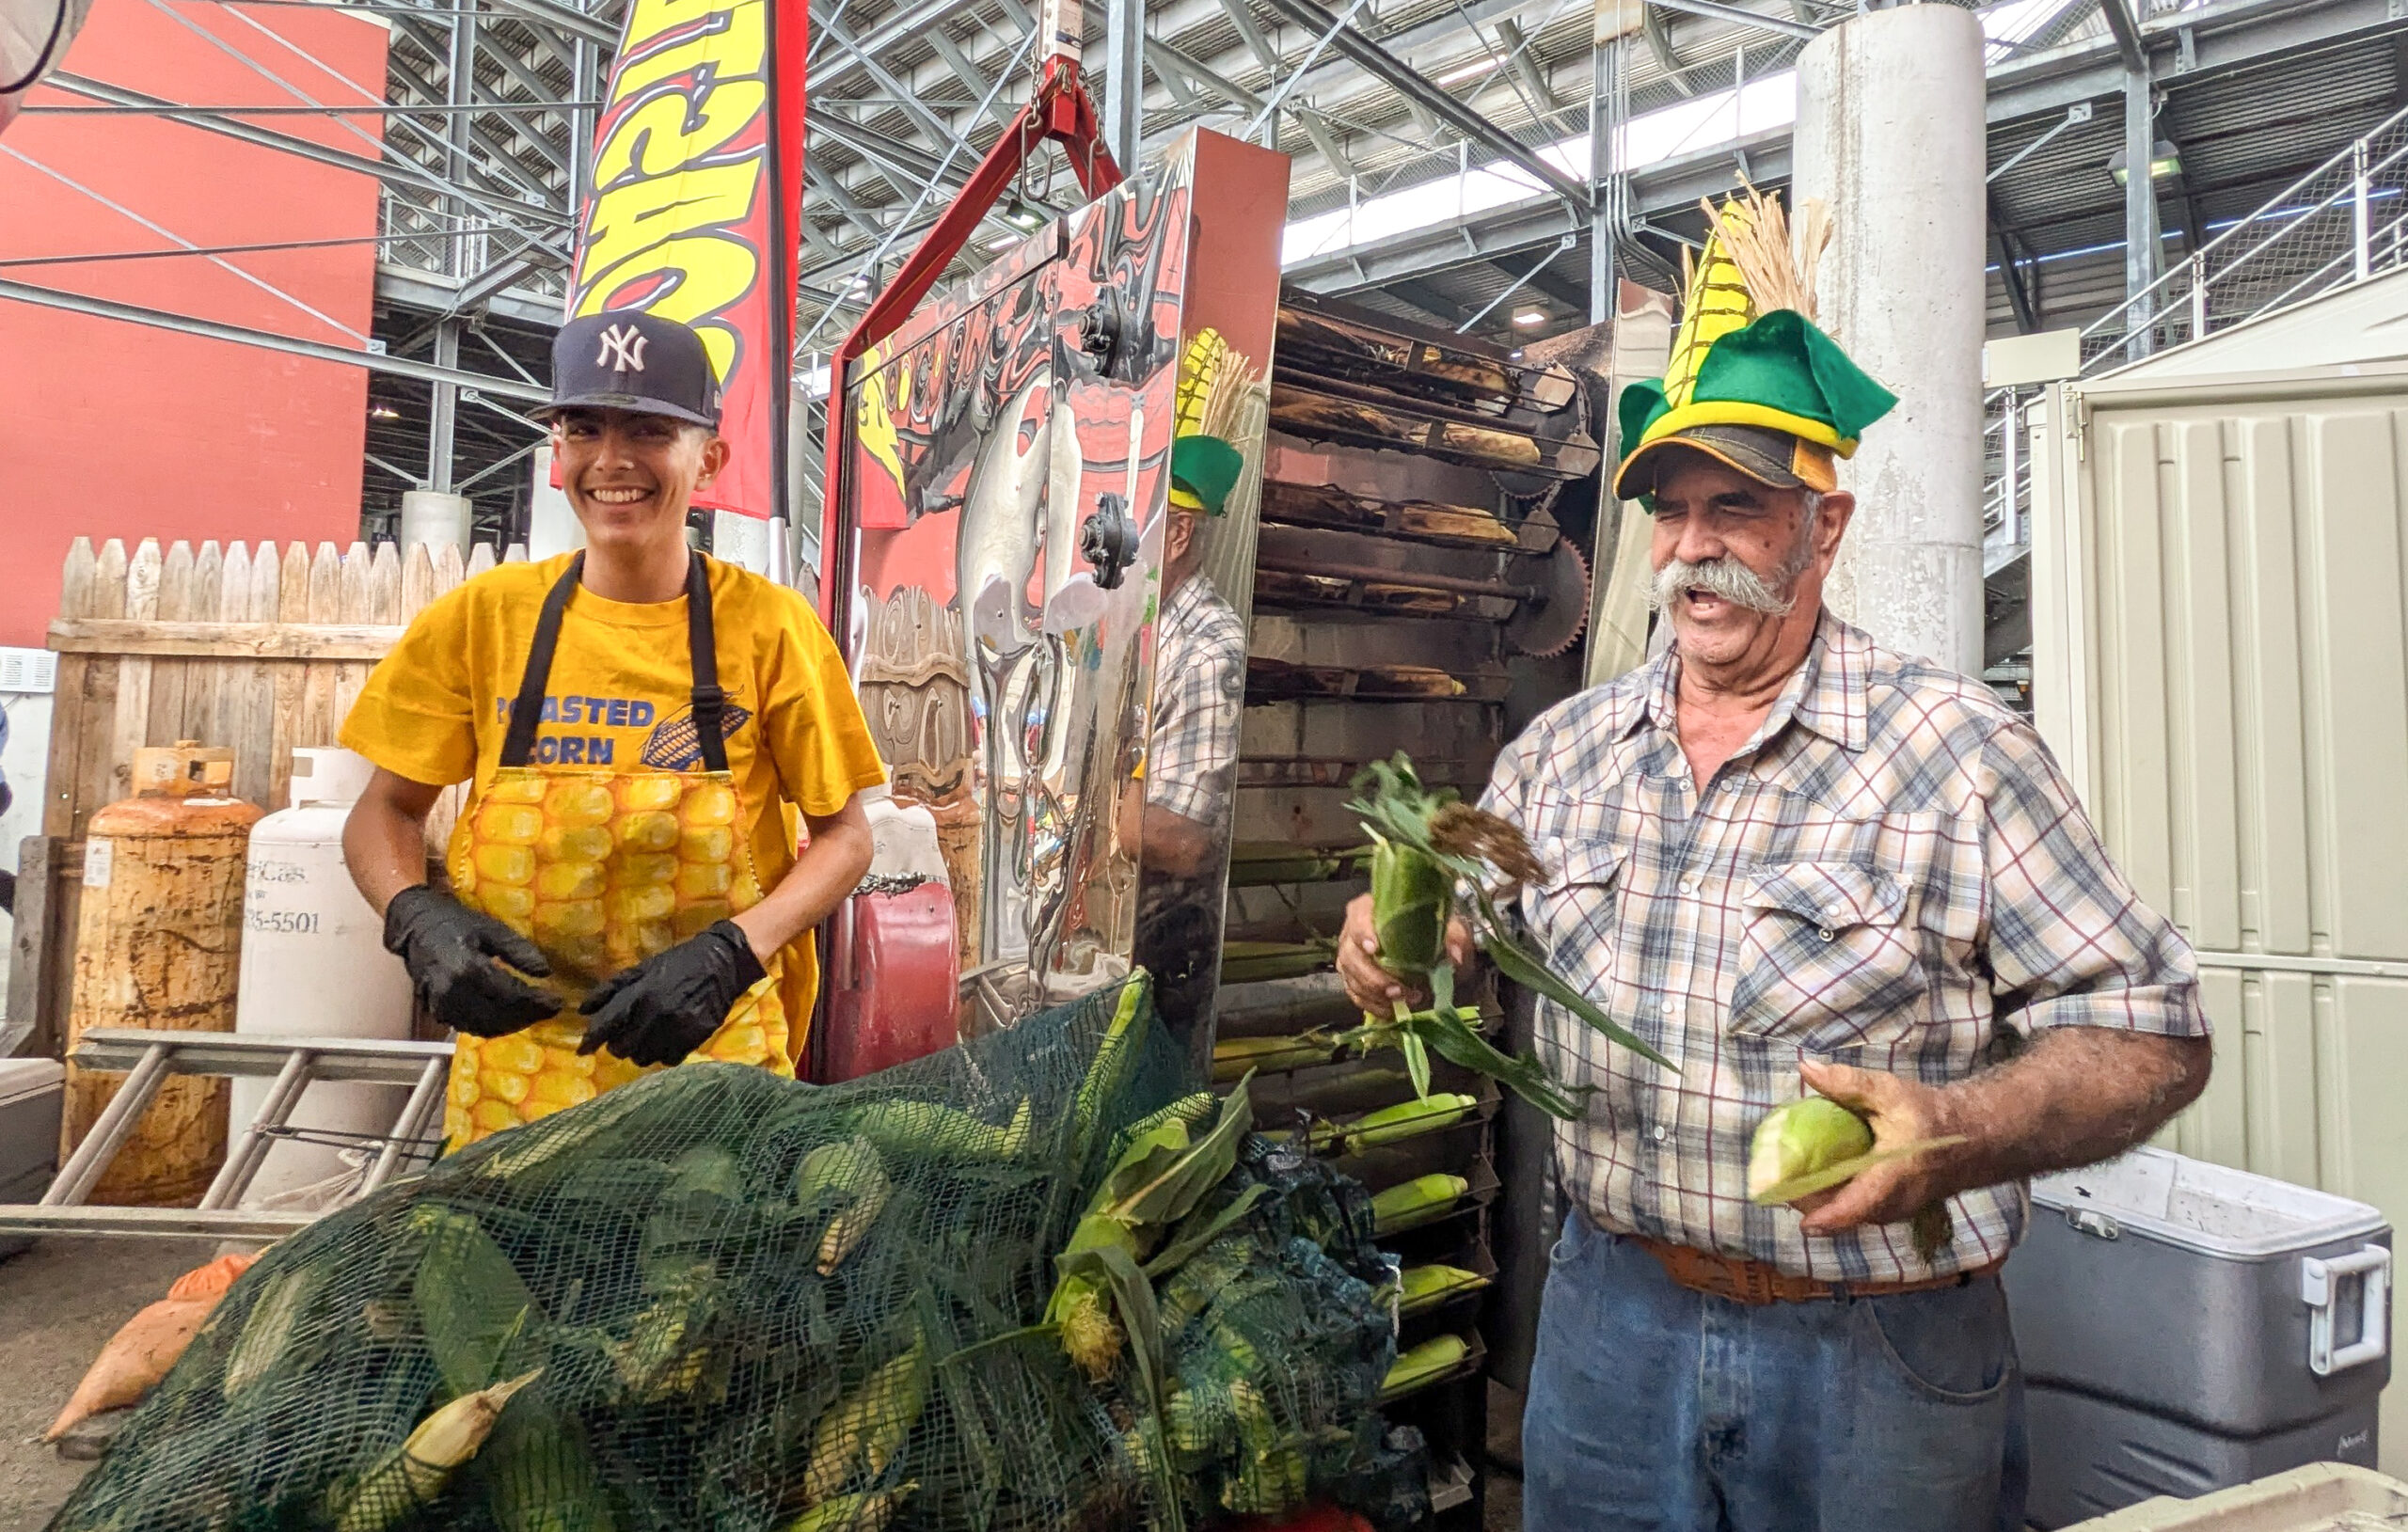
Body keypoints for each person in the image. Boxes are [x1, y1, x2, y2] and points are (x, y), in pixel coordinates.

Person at [1336, 195, 2210, 1532]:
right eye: (1671, 512)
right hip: (1609, 1323)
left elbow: (2154, 1035)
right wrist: (1393, 943)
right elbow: (1456, 920)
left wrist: (1960, 1132)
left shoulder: (1955, 752)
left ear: (1826, 526)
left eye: (1736, 508)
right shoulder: (1561, 756)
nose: (1693, 547)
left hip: (1877, 1351)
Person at [341, 311, 884, 1149]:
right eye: (584, 427)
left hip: (715, 1054)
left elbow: (845, 838)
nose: (612, 459)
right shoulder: (482, 622)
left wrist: (735, 952)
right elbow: (386, 810)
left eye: (649, 430)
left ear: (709, 458)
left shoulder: (772, 629)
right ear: (556, 454)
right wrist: (414, 914)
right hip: (518, 1069)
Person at [1127, 429, 1249, 1041]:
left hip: (1165, 956)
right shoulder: (1143, 625)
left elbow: (1183, 841)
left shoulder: (1207, 648)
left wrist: (1091, 803)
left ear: (1177, 534)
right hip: (1121, 945)